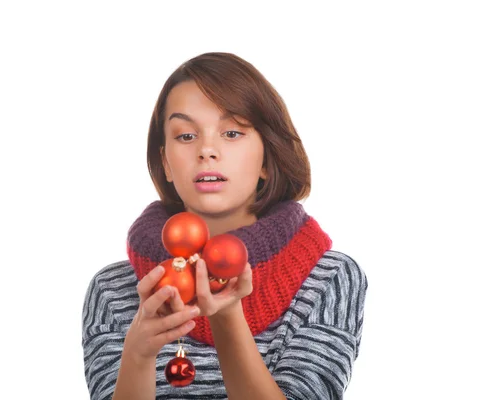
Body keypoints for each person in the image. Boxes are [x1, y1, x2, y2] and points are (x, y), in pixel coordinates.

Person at [82, 52, 368, 400]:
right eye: (186, 136)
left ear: (268, 159)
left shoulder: (329, 277)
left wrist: (227, 316)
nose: (207, 150)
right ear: (166, 164)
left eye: (232, 132)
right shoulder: (112, 290)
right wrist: (139, 357)